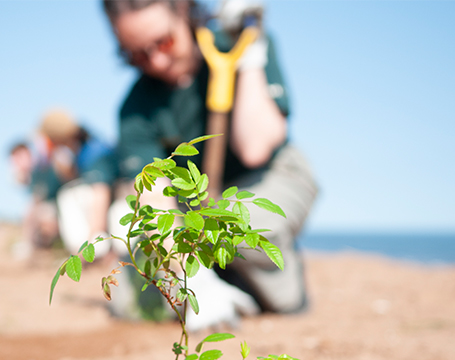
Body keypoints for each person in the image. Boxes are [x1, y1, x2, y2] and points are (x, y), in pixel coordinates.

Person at [101, 0, 319, 331]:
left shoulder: (240, 43)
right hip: (197, 213)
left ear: (183, 10)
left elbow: (256, 147)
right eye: (136, 54)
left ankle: (282, 293)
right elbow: (153, 199)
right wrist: (193, 277)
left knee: (236, 229)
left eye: (164, 42)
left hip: (270, 177)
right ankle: (224, 281)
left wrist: (249, 56)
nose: (156, 60)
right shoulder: (135, 109)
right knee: (131, 298)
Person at [38, 109, 119, 259]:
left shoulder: (94, 152)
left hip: (119, 208)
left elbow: (101, 193)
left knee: (69, 194)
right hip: (111, 210)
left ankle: (92, 251)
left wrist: (93, 239)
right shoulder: (82, 150)